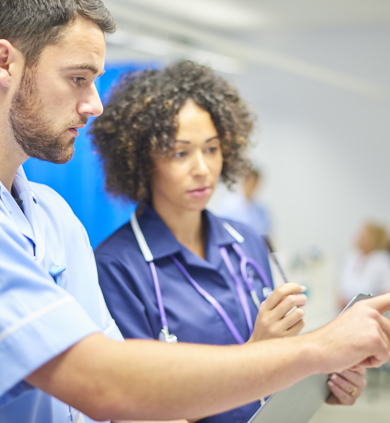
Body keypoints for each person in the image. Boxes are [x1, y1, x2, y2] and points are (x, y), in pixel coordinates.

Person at [1, 2, 390, 423]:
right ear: (6, 62)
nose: (94, 105)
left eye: (211, 149)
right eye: (77, 78)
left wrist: (307, 375)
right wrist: (314, 350)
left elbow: (133, 405)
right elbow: (106, 384)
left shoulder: (57, 218)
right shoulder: (118, 264)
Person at [91, 61, 362, 422]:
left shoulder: (246, 241)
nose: (202, 168)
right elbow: (137, 408)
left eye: (212, 149)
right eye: (179, 152)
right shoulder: (117, 265)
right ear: (142, 161)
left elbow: (276, 366)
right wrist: (255, 353)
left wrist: (322, 376)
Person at [338, 222, 390, 310]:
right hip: (346, 309)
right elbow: (341, 285)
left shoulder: (381, 260)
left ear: (373, 239)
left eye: (363, 236)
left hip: (370, 310)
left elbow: (386, 291)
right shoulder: (352, 257)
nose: (358, 238)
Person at [215, 167, 272, 236]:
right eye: (251, 182)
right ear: (245, 182)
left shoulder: (261, 207)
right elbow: (223, 228)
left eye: (255, 183)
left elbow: (266, 231)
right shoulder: (229, 204)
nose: (253, 186)